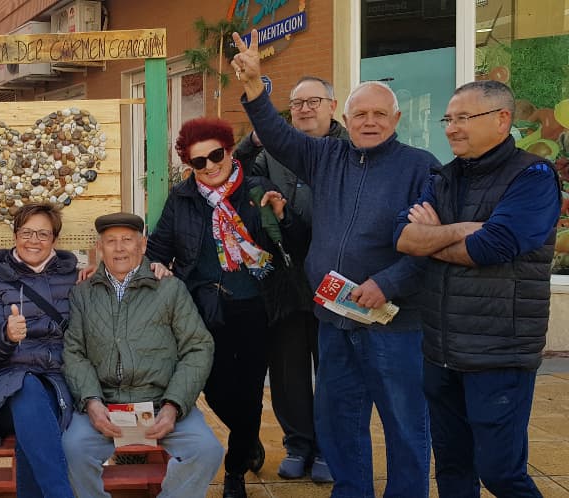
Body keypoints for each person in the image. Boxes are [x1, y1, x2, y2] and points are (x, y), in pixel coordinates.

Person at [232, 31, 436, 497]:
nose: (369, 121)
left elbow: (431, 249)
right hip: (335, 317)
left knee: (405, 425)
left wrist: (387, 283)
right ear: (346, 117)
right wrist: (254, 86)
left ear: (397, 118)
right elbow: (279, 136)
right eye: (360, 114)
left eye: (379, 113)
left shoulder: (420, 167)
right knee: (340, 420)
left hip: (394, 324)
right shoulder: (326, 156)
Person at [396, 80, 561, 497]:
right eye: (448, 119)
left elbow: (492, 246)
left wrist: (434, 237)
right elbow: (403, 236)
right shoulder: (445, 177)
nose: (451, 128)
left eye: (463, 118)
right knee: (452, 470)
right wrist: (454, 233)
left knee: (501, 474)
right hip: (440, 351)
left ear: (502, 119)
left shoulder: (533, 176)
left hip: (498, 354)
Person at [146, 117, 307, 497]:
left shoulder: (256, 189)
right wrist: (153, 265)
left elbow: (297, 243)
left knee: (250, 391)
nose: (210, 166)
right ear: (190, 166)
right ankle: (248, 438)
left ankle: (235, 471)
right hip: (203, 309)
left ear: (229, 150)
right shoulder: (181, 199)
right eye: (198, 162)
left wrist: (282, 216)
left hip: (257, 307)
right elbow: (157, 249)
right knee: (215, 388)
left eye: (215, 155)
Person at [62, 212, 224, 498]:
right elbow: (75, 352)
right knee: (71, 449)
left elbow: (198, 347)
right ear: (99, 248)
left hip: (161, 403)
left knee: (207, 450)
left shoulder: (170, 288)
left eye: (127, 240)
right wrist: (91, 402)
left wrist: (174, 404)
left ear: (143, 245)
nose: (120, 248)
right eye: (111, 241)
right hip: (105, 404)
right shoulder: (83, 294)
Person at [252, 76, 349, 482]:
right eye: (297, 103)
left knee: (334, 369)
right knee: (288, 369)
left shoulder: (350, 152)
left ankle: (331, 447)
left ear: (332, 105)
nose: (305, 109)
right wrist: (268, 193)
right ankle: (298, 442)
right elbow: (246, 175)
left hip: (337, 280)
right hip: (287, 280)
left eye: (314, 101)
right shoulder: (276, 150)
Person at [0, 202, 78, 498]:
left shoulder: (73, 278)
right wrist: (7, 335)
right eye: (27, 232)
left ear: (55, 240)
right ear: (15, 235)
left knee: (33, 423)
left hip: (58, 380)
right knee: (26, 387)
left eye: (43, 235)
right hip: (9, 381)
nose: (34, 241)